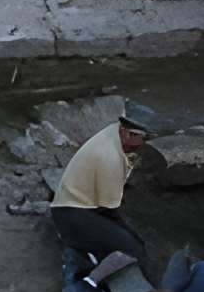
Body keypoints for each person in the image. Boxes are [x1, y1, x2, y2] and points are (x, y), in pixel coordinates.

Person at [50, 106, 158, 270]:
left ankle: (89, 247)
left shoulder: (115, 130)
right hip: (71, 214)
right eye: (145, 138)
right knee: (134, 249)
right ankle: (88, 275)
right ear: (128, 134)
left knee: (122, 235)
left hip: (73, 202)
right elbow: (110, 209)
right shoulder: (111, 157)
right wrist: (129, 234)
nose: (146, 143)